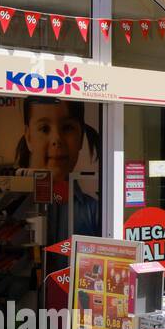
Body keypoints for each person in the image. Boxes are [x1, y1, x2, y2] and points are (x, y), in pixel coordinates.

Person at [17, 98, 101, 240]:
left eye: (67, 127)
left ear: (81, 137)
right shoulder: (14, 206)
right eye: (44, 128)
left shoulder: (94, 212)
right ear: (28, 137)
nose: (57, 139)